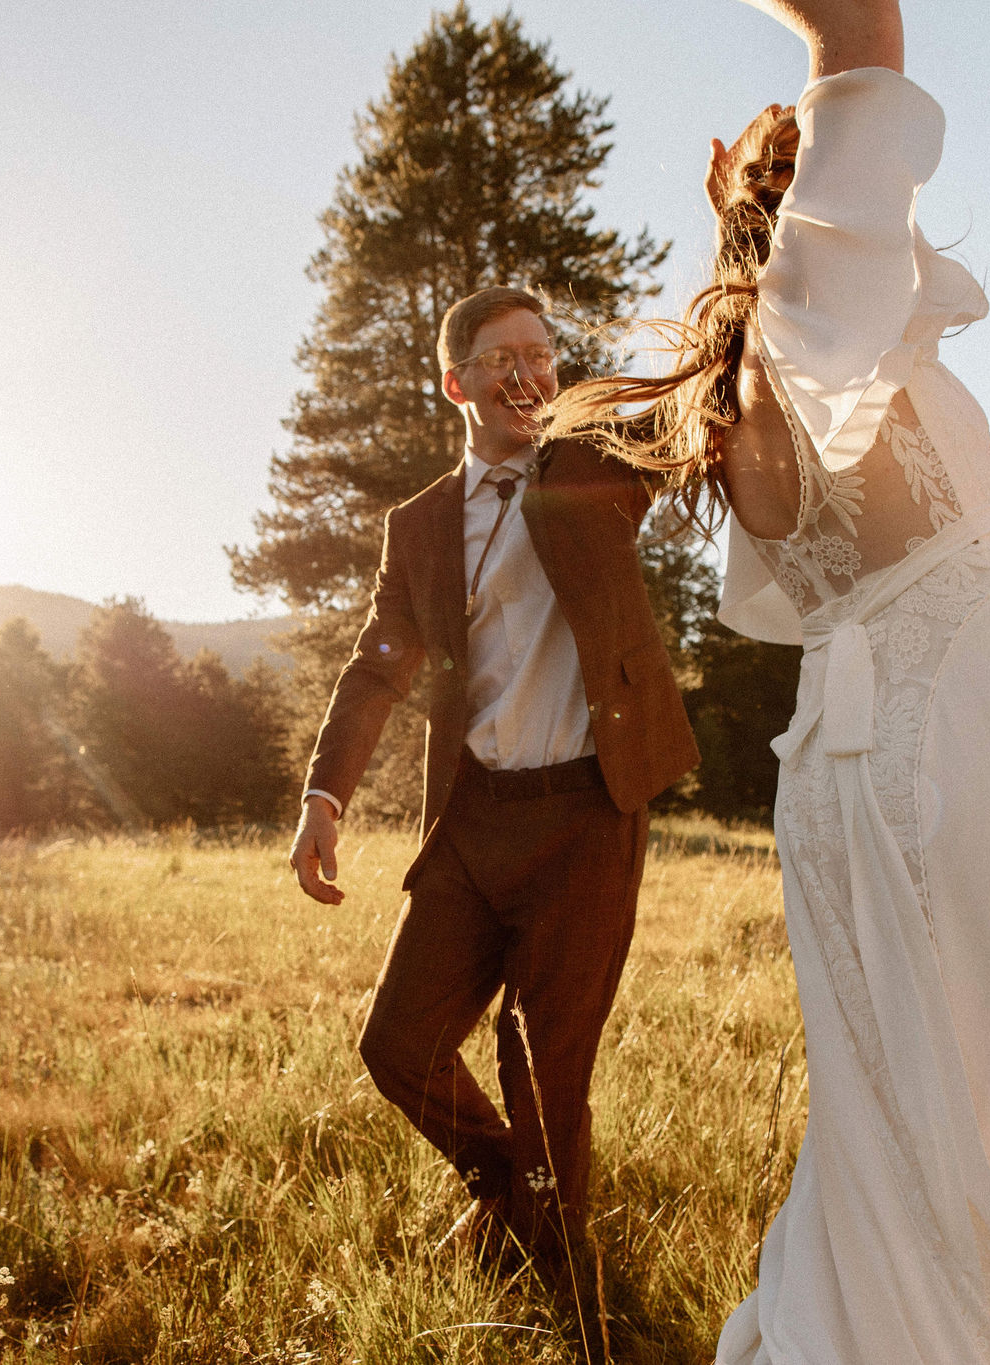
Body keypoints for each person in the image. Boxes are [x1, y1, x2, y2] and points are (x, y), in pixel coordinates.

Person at [543, 1, 990, 1361]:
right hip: (980, 737)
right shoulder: (818, 319)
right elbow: (860, 30)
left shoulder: (776, 380)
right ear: (807, 200)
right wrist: (827, 55)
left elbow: (941, 552)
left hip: (870, 766)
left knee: (918, 1108)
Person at [287, 285, 699, 1355]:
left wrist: (747, 233)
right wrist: (322, 797)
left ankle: (570, 1292)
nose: (528, 373)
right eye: (501, 357)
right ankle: (510, 1187)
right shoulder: (420, 525)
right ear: (454, 382)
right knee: (397, 1044)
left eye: (541, 354)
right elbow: (375, 668)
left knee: (542, 1061)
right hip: (474, 820)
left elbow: (703, 395)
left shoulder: (599, 466)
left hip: (585, 808)